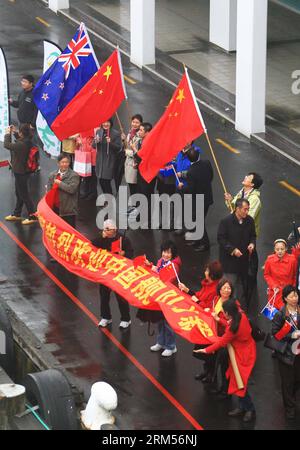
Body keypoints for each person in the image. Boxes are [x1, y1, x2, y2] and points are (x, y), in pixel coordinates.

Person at [194, 299, 256, 423]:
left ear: (228, 313)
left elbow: (222, 342)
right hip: (241, 351)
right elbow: (229, 325)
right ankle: (242, 407)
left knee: (240, 382)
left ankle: (249, 409)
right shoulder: (240, 316)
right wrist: (220, 320)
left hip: (243, 355)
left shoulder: (234, 327)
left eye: (224, 312)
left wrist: (205, 350)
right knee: (237, 380)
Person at [178, 261, 223, 381]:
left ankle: (211, 375)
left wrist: (197, 301)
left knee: (209, 352)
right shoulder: (208, 284)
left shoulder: (215, 289)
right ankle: (207, 371)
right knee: (204, 351)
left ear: (212, 274)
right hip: (204, 322)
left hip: (210, 325)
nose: (205, 272)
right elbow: (199, 295)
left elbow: (208, 307)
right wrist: (187, 291)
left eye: (207, 270)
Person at [92, 220, 133, 328]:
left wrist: (124, 254)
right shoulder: (101, 238)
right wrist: (102, 236)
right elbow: (91, 245)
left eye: (109, 229)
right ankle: (106, 317)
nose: (106, 231)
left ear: (114, 229)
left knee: (121, 297)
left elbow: (131, 253)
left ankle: (126, 319)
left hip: (119, 273)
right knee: (104, 296)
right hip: (105, 272)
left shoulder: (123, 239)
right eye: (105, 229)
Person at [217, 198, 256, 309]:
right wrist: (233, 250)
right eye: (244, 209)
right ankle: (227, 310)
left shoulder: (250, 221)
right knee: (229, 287)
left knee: (241, 287)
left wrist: (252, 244)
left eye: (248, 209)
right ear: (237, 209)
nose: (246, 212)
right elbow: (221, 239)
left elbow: (253, 235)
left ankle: (240, 310)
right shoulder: (226, 221)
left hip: (243, 262)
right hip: (229, 263)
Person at [271, 285, 300, 420]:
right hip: (286, 354)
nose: (295, 298)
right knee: (287, 382)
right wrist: (291, 336)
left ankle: (292, 401)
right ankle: (289, 408)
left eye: (296, 295)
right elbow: (275, 334)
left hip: (298, 352)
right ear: (285, 298)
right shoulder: (280, 314)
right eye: (292, 296)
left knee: (296, 380)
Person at [177, 147, 214, 252]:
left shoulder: (191, 172)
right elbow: (211, 176)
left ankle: (204, 244)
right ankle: (197, 240)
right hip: (207, 197)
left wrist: (181, 187)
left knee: (198, 222)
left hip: (198, 201)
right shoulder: (207, 163)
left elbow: (190, 189)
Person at [150, 240, 181, 357]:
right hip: (160, 295)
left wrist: (157, 273)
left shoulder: (174, 266)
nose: (165, 255)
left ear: (173, 254)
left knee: (168, 323)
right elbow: (158, 271)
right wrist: (151, 266)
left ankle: (171, 346)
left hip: (168, 297)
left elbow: (167, 279)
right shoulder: (161, 261)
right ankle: (161, 342)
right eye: (164, 252)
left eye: (168, 253)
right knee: (160, 321)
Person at [4, 124, 38, 225]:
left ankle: (33, 215)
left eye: (19, 131)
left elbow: (7, 145)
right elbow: (20, 140)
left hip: (21, 172)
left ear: (22, 133)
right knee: (19, 193)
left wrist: (7, 134)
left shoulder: (21, 145)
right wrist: (14, 132)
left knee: (24, 194)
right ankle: (17, 214)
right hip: (23, 171)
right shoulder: (27, 142)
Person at [264, 240, 300, 310]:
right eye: (277, 249)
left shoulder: (292, 259)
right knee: (274, 316)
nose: (280, 251)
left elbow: (296, 275)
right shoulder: (269, 259)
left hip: (288, 293)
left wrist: (292, 289)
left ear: (286, 249)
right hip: (275, 292)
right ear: (274, 249)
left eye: (282, 249)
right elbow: (267, 274)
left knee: (288, 315)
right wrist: (273, 286)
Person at [224, 172, 263, 237]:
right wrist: (230, 201)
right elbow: (233, 208)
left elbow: (249, 218)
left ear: (252, 184)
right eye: (246, 176)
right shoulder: (241, 193)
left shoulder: (255, 199)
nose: (245, 177)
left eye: (248, 177)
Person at [47, 154, 80, 228]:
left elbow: (72, 189)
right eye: (62, 162)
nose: (65, 164)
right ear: (58, 163)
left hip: (68, 211)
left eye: (67, 162)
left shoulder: (74, 175)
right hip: (55, 209)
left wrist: (60, 183)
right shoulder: (52, 175)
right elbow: (48, 192)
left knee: (69, 233)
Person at [93, 120, 122, 195]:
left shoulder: (116, 134)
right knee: (101, 181)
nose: (105, 124)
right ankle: (107, 198)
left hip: (109, 160)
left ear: (111, 123)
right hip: (100, 160)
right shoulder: (98, 131)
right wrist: (96, 141)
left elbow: (119, 148)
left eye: (107, 122)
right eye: (104, 122)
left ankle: (110, 199)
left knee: (106, 181)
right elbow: (93, 145)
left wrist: (111, 143)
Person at [123, 114, 143, 199]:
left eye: (137, 122)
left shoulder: (140, 136)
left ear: (140, 123)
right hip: (128, 163)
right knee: (130, 185)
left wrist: (127, 152)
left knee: (134, 186)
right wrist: (123, 140)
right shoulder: (130, 132)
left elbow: (139, 152)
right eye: (133, 122)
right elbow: (126, 146)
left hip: (134, 163)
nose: (134, 124)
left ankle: (136, 205)